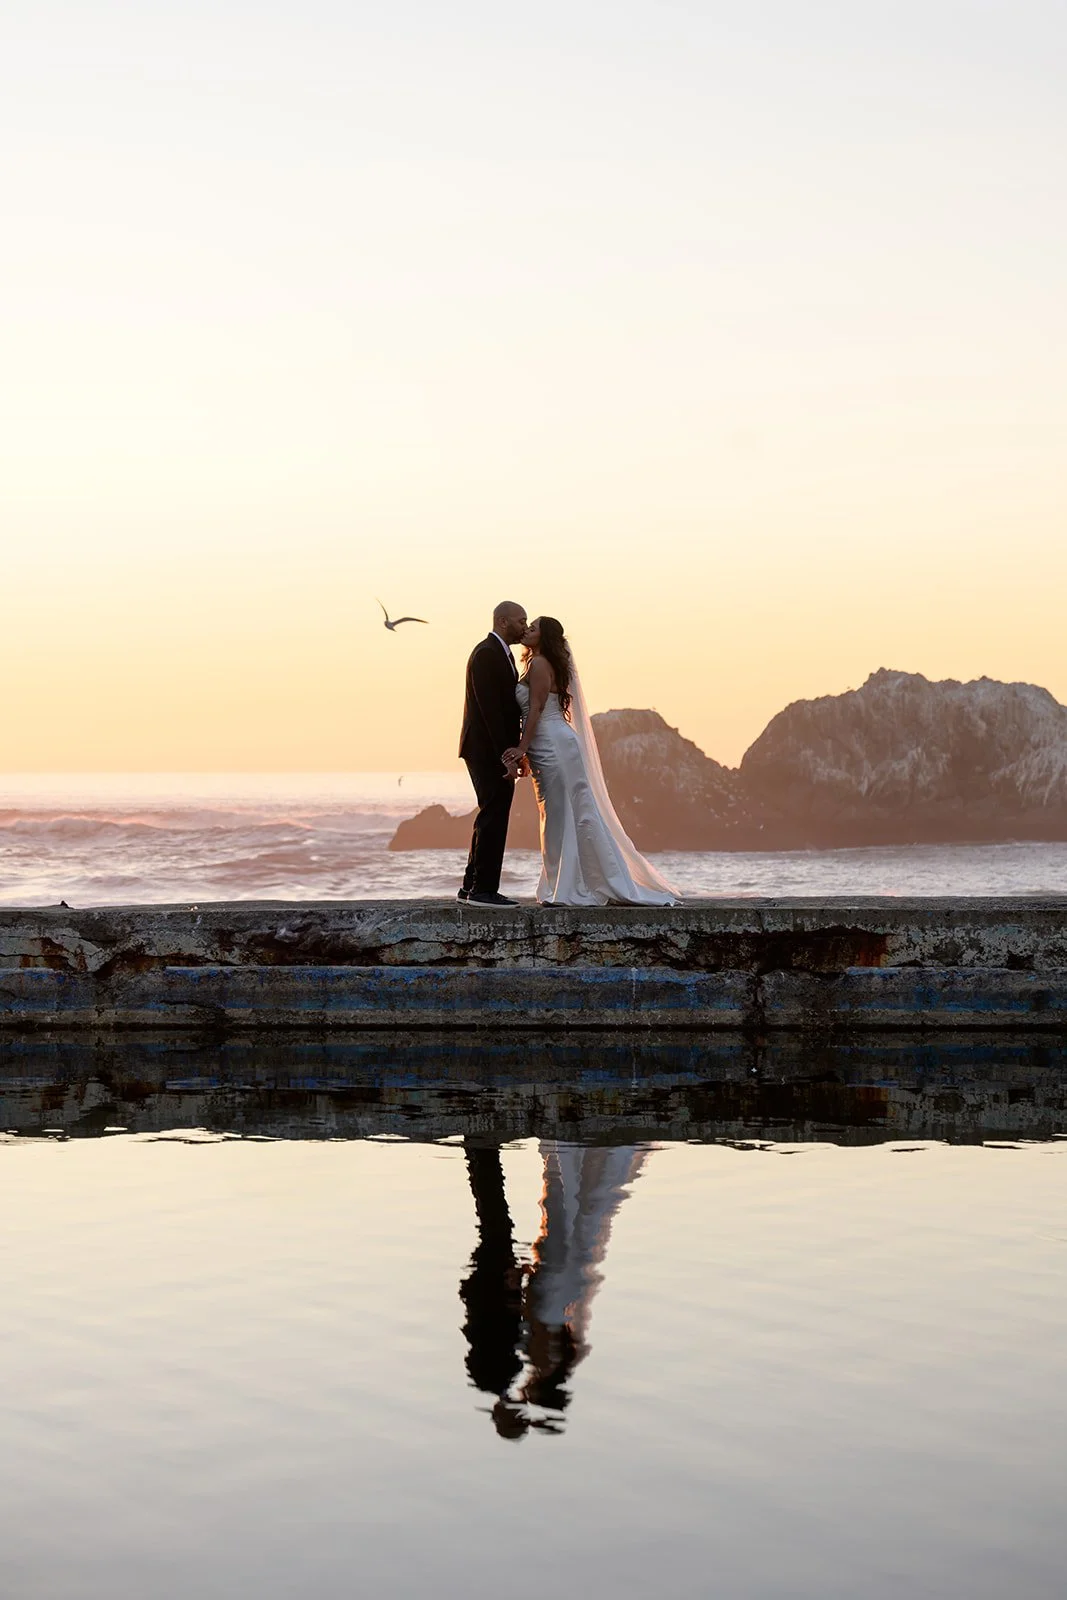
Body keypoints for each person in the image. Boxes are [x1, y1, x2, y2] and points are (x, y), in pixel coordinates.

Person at [501, 617, 680, 906]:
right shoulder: (540, 663)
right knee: (562, 813)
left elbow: (534, 709)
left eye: (533, 628)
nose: (527, 630)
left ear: (544, 637)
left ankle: (564, 887)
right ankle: (564, 883)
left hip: (553, 743)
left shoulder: (539, 664)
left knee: (559, 815)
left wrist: (522, 748)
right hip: (552, 742)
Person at [457, 601, 527, 906]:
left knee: (490, 812)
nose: (524, 626)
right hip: (485, 750)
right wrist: (506, 756)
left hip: (488, 749)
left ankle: (470, 887)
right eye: (520, 620)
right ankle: (483, 891)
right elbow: (490, 713)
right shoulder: (486, 654)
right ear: (502, 621)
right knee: (493, 816)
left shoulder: (500, 654)